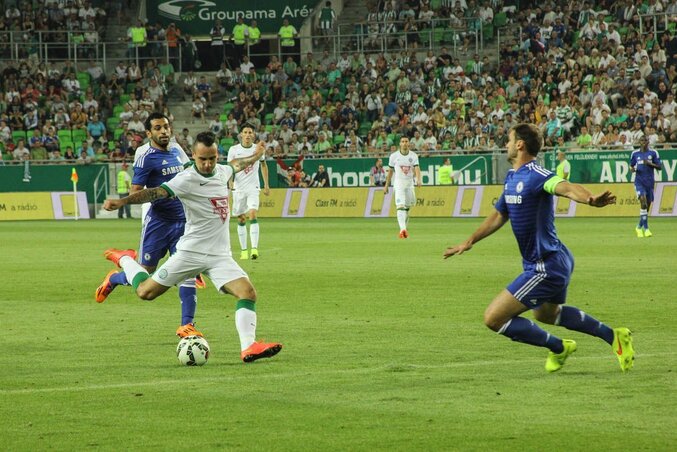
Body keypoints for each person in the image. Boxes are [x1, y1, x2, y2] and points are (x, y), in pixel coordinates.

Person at [443, 123, 634, 373]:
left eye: (509, 140)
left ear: (520, 145)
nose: (507, 145)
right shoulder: (512, 177)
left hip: (545, 265)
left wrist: (589, 199)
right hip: (552, 258)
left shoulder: (536, 174)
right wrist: (469, 241)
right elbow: (500, 214)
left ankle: (559, 347)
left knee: (493, 318)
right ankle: (614, 337)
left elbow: (565, 187)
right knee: (546, 314)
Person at [100, 131, 282, 363]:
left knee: (247, 293)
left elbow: (237, 163)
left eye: (212, 158)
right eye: (202, 159)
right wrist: (123, 201)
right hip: (190, 253)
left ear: (217, 156)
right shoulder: (185, 179)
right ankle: (125, 259)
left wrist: (256, 154)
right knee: (145, 292)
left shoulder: (223, 171)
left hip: (219, 256)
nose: (207, 164)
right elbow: (156, 192)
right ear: (194, 156)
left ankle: (249, 347)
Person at [95, 113, 202, 339]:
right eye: (158, 128)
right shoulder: (144, 155)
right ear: (148, 133)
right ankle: (115, 277)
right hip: (158, 223)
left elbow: (191, 175)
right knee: (145, 275)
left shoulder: (177, 150)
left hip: (183, 222)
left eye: (166, 127)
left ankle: (187, 325)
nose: (164, 131)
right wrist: (162, 194)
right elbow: (136, 191)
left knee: (186, 272)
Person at [227, 123, 270, 260]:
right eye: (245, 132)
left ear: (254, 135)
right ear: (241, 134)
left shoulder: (258, 150)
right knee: (241, 218)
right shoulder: (234, 149)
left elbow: (263, 165)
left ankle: (254, 249)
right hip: (238, 189)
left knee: (252, 213)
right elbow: (230, 168)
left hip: (253, 187)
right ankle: (244, 250)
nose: (247, 135)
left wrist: (266, 184)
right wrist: (230, 181)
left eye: (250, 132)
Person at [384, 136, 421, 239]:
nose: (404, 143)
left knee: (407, 208)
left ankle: (404, 228)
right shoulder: (393, 156)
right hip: (399, 184)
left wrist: (418, 179)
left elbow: (417, 168)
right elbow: (390, 172)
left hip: (410, 184)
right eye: (403, 141)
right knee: (400, 206)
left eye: (406, 141)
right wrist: (386, 185)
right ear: (400, 144)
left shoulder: (413, 156)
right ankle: (403, 230)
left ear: (409, 143)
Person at [630, 135, 662, 238]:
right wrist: (632, 169)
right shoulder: (635, 153)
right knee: (643, 203)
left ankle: (639, 227)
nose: (643, 142)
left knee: (646, 207)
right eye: (641, 140)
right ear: (639, 142)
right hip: (639, 182)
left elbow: (659, 167)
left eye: (645, 140)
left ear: (648, 142)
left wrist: (649, 163)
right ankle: (646, 229)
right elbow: (631, 165)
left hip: (649, 183)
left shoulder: (653, 153)